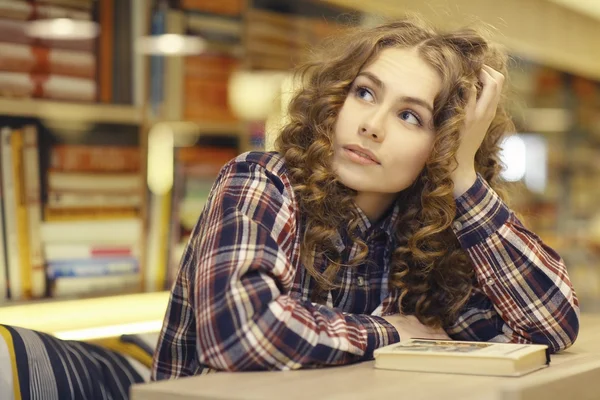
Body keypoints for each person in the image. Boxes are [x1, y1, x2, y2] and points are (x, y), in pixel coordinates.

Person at [152, 16, 580, 380]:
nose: (372, 125)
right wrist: (392, 331)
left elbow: (549, 327)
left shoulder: (426, 236)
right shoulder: (262, 180)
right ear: (336, 98)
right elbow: (240, 334)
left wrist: (462, 175)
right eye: (365, 93)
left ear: (444, 144)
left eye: (410, 116)